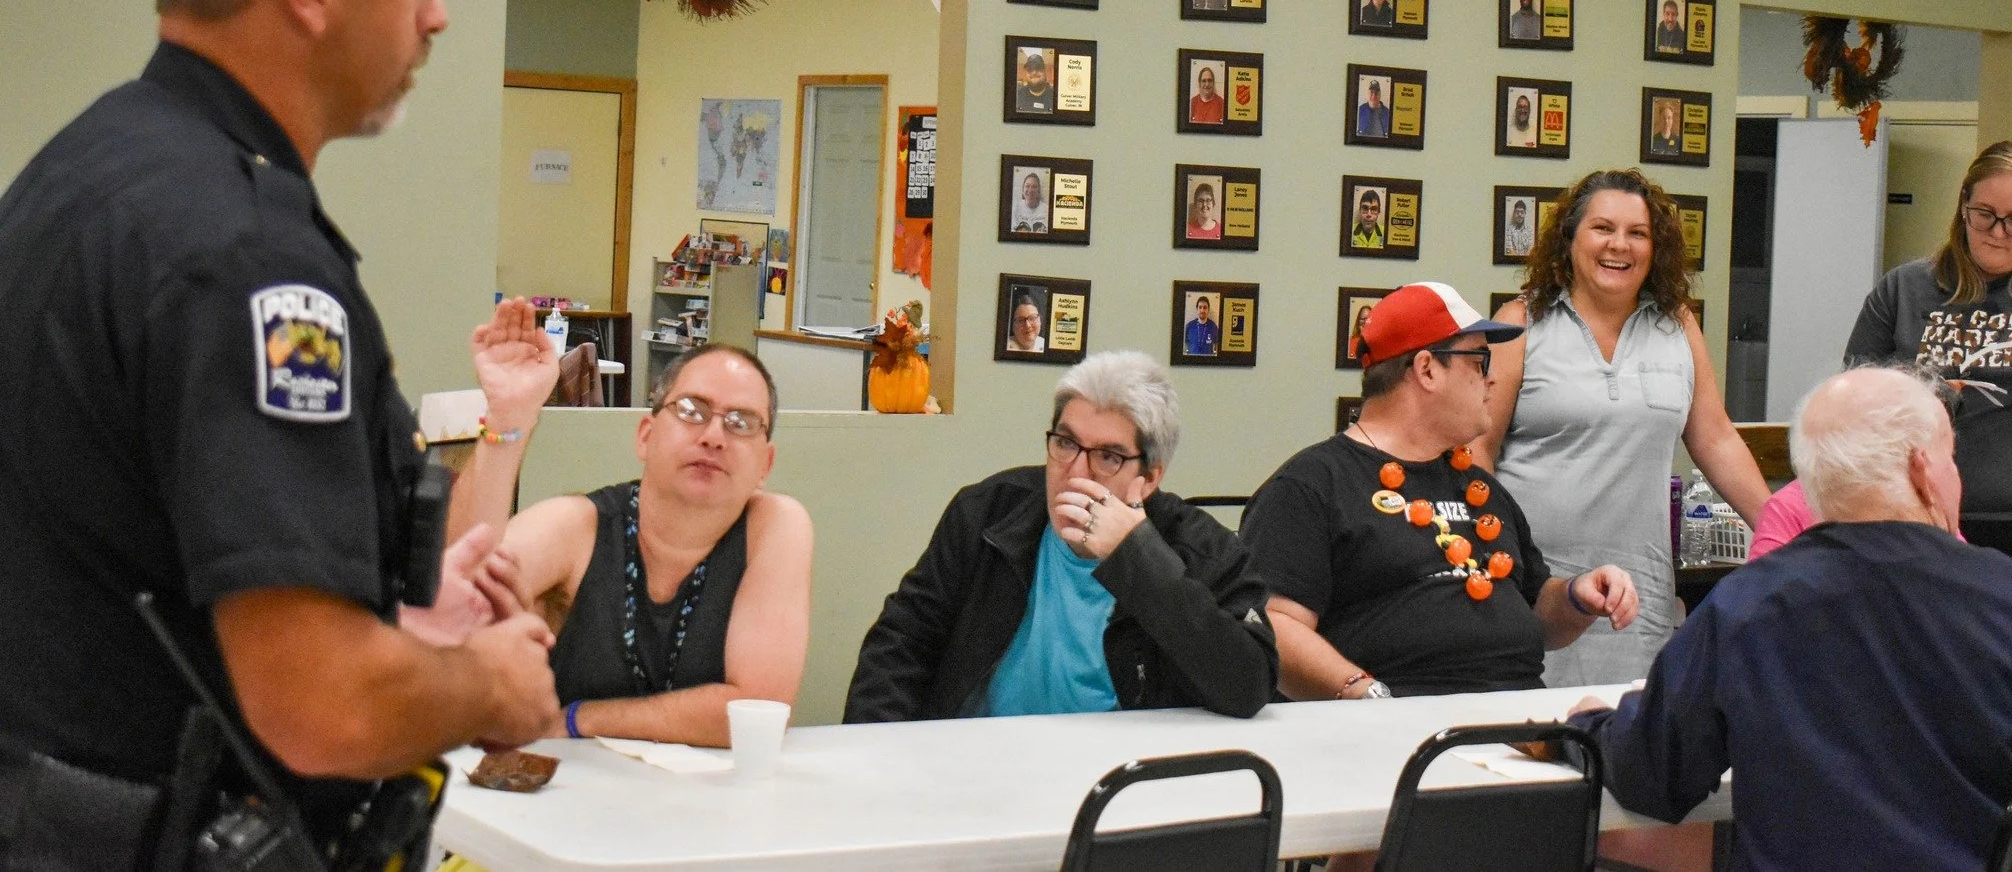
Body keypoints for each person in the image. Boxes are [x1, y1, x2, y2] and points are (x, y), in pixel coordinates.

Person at [0, 0, 559, 866]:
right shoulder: (248, 256)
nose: (436, 19)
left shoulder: (88, 172)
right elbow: (322, 707)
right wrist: (488, 681)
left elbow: (138, 546)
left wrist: (387, 613)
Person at [1575, 366, 2012, 872]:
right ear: (1924, 471)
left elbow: (1650, 775)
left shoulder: (1746, 608)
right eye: (1952, 460)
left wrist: (1585, 723)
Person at [1239, 283, 1638, 702]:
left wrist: (1578, 595)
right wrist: (1368, 697)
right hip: (1401, 731)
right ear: (1427, 369)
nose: (1494, 377)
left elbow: (1537, 612)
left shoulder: (1481, 488)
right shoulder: (1312, 485)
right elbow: (1274, 625)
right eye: (1480, 361)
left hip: (1517, 715)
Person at [843, 351, 1277, 722]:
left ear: (1147, 478)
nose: (1076, 472)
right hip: (977, 765)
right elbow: (899, 645)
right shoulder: (988, 513)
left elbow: (1249, 684)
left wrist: (1137, 558)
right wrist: (880, 765)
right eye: (1066, 444)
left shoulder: (1200, 548)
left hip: (1117, 785)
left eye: (1107, 456)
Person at [1480, 168, 1768, 686]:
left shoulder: (1676, 324)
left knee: (1625, 744)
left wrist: (1784, 530)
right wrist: (1491, 563)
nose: (1620, 246)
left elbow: (1715, 437)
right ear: (1569, 240)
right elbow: (1476, 452)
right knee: (1524, 747)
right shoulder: (1521, 323)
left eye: (1638, 233)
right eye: (1602, 229)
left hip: (1636, 596)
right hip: (1533, 589)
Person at [496, 345, 813, 745]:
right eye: (692, 411)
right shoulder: (575, 526)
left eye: (741, 422)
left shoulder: (775, 527)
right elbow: (448, 596)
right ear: (646, 436)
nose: (714, 436)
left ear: (764, 466)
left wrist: (582, 717)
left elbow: (757, 711)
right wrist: (505, 425)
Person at [1845, 140, 2012, 564]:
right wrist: (1918, 392)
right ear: (1963, 206)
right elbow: (1850, 401)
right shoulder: (1904, 288)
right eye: (1984, 215)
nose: (1997, 232)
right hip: (1912, 519)